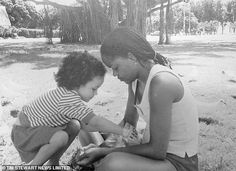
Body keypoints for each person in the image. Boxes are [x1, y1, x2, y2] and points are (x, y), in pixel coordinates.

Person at [77, 27, 199, 171]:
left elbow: (157, 151)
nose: (115, 74)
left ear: (132, 57)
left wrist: (105, 152)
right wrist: (102, 148)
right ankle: (95, 163)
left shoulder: (162, 83)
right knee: (85, 127)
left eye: (116, 67)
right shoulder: (135, 81)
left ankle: (100, 164)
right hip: (149, 152)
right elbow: (128, 124)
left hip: (176, 162)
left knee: (112, 163)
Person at [11, 51, 135, 166]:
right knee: (61, 137)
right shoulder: (68, 99)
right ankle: (34, 167)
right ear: (77, 83)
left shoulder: (68, 94)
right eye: (93, 89)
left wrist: (111, 132)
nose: (96, 93)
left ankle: (53, 163)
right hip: (24, 132)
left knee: (75, 125)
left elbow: (86, 126)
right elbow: (95, 121)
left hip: (31, 129)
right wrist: (122, 131)